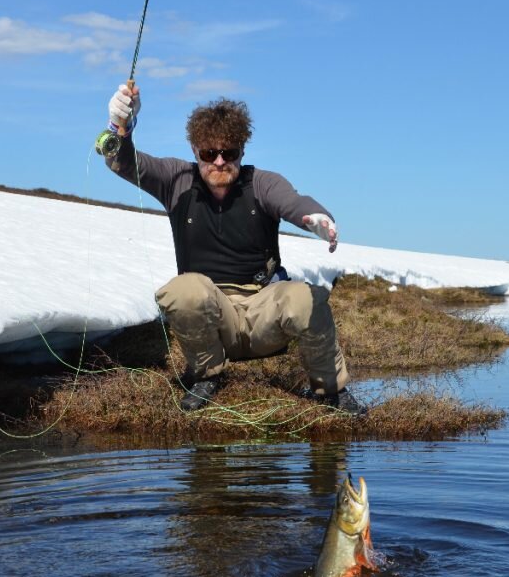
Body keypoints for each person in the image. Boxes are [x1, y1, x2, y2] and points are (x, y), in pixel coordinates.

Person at [104, 83, 366, 416]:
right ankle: (205, 376)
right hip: (212, 317)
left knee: (307, 297)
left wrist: (316, 219)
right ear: (195, 149)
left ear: (241, 151)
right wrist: (120, 125)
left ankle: (331, 391)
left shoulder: (262, 183)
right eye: (208, 153)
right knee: (183, 291)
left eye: (229, 153)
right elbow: (121, 161)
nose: (219, 161)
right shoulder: (176, 179)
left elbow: (293, 203)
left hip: (262, 312)